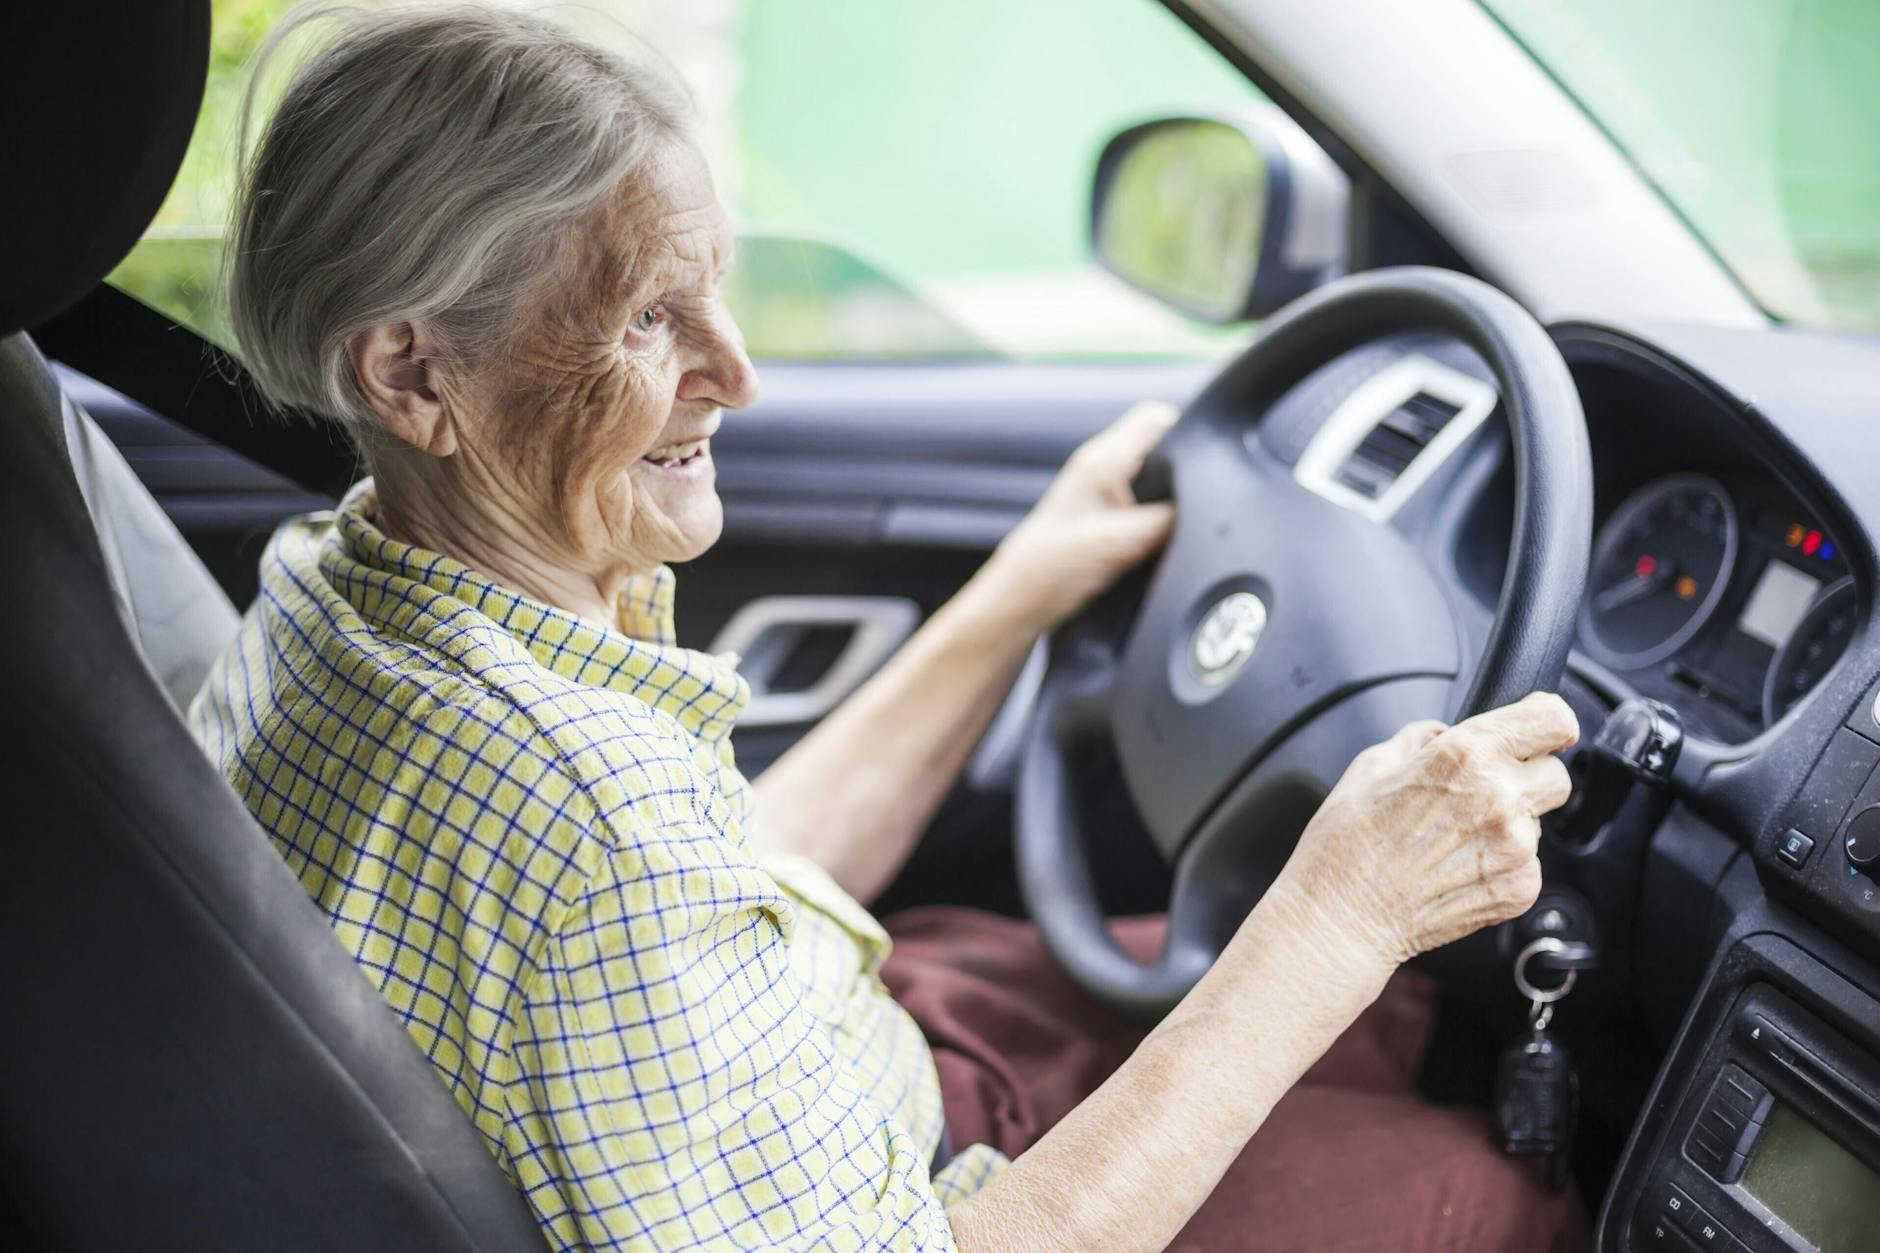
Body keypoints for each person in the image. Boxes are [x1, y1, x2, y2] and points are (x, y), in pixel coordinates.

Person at [191, 3, 1584, 1248]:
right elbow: (623, 877)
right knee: (1494, 1184)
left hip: (845, 1060)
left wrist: (1019, 593)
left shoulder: (334, 581)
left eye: (716, 287)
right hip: (932, 1190)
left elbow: (710, 886)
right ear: (413, 374)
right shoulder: (588, 821)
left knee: (1393, 1013)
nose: (738, 371)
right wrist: (1341, 909)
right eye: (648, 317)